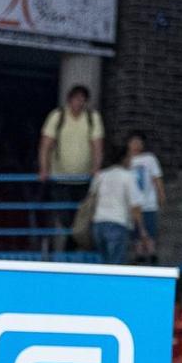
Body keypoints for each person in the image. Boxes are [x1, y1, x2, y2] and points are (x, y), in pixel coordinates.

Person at [38, 85, 104, 250]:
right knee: (65, 216)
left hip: (83, 178)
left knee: (80, 217)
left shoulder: (92, 117)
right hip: (60, 177)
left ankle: (73, 246)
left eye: (82, 99)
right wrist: (43, 168)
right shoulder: (57, 116)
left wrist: (96, 168)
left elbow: (97, 145)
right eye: (76, 98)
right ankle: (73, 245)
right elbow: (46, 144)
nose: (79, 102)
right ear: (69, 100)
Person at [88, 143, 150, 265]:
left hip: (98, 224)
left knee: (104, 263)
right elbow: (135, 206)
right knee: (116, 264)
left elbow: (91, 198)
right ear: (125, 158)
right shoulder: (128, 177)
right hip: (118, 224)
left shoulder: (101, 175)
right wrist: (143, 231)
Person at [125, 131, 166, 256]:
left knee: (150, 230)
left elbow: (156, 178)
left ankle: (151, 253)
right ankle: (139, 255)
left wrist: (161, 194)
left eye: (139, 142)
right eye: (134, 142)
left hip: (148, 202)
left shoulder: (149, 158)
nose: (136, 145)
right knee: (136, 233)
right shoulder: (126, 161)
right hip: (132, 204)